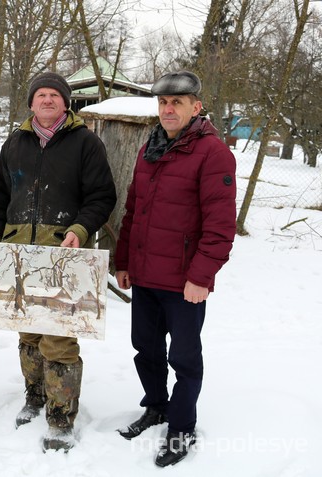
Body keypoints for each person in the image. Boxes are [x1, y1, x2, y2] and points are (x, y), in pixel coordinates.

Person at [0, 72, 117, 452]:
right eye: (40, 95)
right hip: (20, 254)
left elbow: (103, 196)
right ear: (30, 103)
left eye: (54, 95)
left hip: (64, 255)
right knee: (28, 334)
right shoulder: (14, 143)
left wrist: (80, 228)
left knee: (59, 340)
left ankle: (60, 417)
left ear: (66, 102)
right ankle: (35, 397)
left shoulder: (86, 143)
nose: (47, 101)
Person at [114, 70, 236, 467]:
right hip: (146, 275)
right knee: (145, 349)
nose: (168, 109)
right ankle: (156, 406)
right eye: (163, 102)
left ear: (195, 107)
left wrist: (201, 277)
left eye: (177, 102)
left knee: (183, 357)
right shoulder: (149, 149)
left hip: (185, 282)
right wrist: (123, 262)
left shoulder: (213, 152)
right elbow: (133, 211)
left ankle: (181, 426)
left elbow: (220, 227)